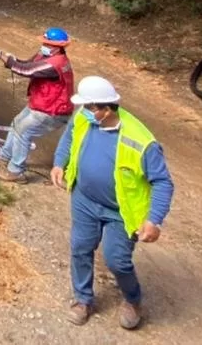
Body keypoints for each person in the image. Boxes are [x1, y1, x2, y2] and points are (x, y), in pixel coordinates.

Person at [52, 76, 174, 331]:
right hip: (84, 199)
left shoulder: (141, 141)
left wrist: (154, 219)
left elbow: (163, 182)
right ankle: (83, 299)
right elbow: (69, 136)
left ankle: (133, 300)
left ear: (105, 109)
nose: (83, 112)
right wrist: (58, 162)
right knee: (80, 247)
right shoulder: (84, 117)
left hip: (121, 211)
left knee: (116, 260)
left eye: (89, 108)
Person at [0, 28, 75, 183]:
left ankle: (16, 172)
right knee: (16, 123)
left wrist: (1, 57)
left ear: (57, 47)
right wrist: (12, 58)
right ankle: (4, 157)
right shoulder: (46, 55)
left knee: (23, 131)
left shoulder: (55, 65)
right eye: (44, 42)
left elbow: (26, 70)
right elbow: (27, 64)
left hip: (54, 111)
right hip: (43, 104)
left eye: (47, 43)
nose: (43, 45)